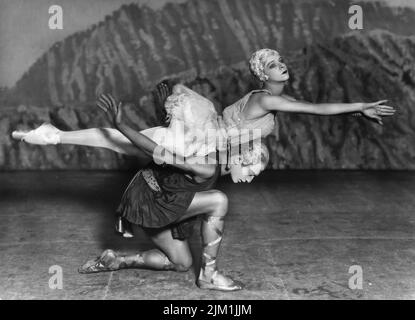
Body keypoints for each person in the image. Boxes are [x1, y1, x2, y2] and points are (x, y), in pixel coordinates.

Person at [77, 93, 270, 292]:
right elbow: (158, 152)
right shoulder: (208, 165)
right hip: (150, 200)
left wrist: (166, 114)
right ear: (241, 159)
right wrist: (121, 126)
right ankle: (209, 275)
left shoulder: (216, 150)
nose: (250, 178)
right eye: (251, 172)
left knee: (181, 263)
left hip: (159, 195)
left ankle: (116, 260)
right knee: (219, 200)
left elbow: (176, 141)